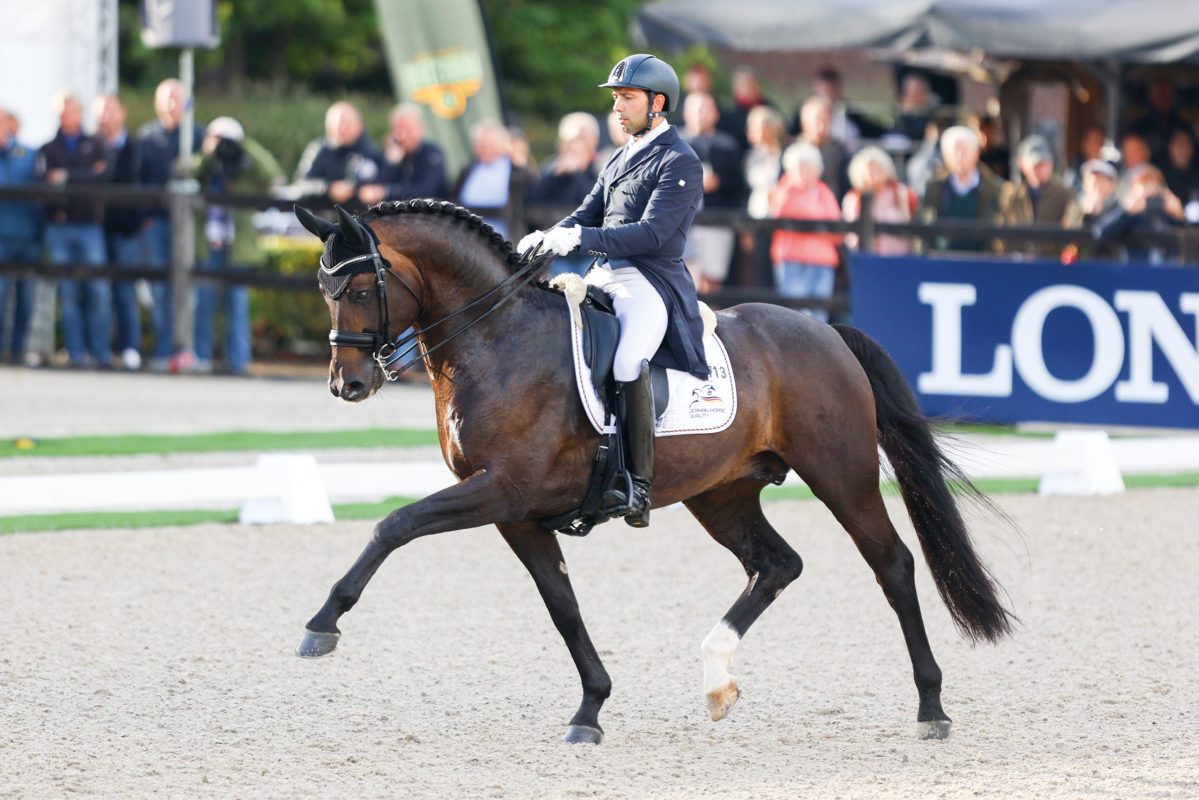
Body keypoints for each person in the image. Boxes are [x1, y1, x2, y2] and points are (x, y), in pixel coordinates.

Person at [516, 53, 708, 528]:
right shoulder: (620, 156)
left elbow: (652, 234)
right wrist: (548, 234)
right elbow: (586, 212)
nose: (618, 108)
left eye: (627, 98)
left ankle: (637, 484)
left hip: (650, 281)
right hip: (603, 274)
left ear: (657, 103)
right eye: (617, 98)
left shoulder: (680, 161)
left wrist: (581, 239)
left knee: (626, 362)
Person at [190, 116, 284, 374]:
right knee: (203, 305)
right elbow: (188, 173)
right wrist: (209, 152)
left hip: (237, 246)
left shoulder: (245, 161)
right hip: (208, 244)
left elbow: (272, 173)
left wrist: (243, 145)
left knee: (237, 306)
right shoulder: (205, 163)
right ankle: (201, 358)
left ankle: (239, 361)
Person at [39, 92, 112, 368]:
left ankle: (101, 353)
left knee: (98, 291)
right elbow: (44, 183)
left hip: (89, 226)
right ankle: (76, 353)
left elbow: (103, 177)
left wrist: (67, 176)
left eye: (69, 111)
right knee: (68, 294)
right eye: (60, 111)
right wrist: (86, 173)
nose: (64, 116)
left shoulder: (95, 144)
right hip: (59, 227)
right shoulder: (48, 148)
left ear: (79, 114)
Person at [137, 78, 204, 370]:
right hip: (157, 225)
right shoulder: (146, 137)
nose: (173, 105)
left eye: (178, 98)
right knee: (159, 291)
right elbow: (138, 181)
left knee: (191, 291)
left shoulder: (198, 136)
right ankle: (164, 352)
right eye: (167, 98)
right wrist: (146, 218)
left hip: (189, 227)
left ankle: (190, 352)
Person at [95, 94, 144, 370]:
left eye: (110, 111)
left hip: (127, 229)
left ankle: (130, 348)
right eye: (101, 112)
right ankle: (100, 349)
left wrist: (142, 216)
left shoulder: (136, 146)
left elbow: (147, 182)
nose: (106, 117)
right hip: (97, 227)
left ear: (122, 113)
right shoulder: (89, 146)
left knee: (126, 291)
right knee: (98, 291)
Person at [768, 142, 842, 321]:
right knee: (794, 315)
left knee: (819, 318)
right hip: (793, 261)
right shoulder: (783, 191)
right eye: (801, 167)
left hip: (823, 262)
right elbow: (780, 215)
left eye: (810, 167)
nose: (806, 172)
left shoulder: (825, 193)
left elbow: (837, 229)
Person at [681, 91, 744, 290]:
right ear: (686, 113)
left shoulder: (728, 145)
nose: (701, 115)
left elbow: (738, 185)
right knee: (683, 278)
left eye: (706, 109)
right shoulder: (673, 143)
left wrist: (719, 182)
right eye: (697, 110)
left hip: (717, 221)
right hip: (681, 222)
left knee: (713, 279)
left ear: (716, 114)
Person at [528, 112, 601, 277]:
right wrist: (554, 174)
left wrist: (578, 173)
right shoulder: (550, 168)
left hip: (587, 251)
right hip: (557, 253)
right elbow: (534, 201)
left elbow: (593, 202)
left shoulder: (598, 169)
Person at [920, 125, 1006, 252]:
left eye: (964, 150)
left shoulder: (997, 189)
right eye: (954, 151)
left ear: (976, 153)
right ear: (945, 155)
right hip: (942, 263)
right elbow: (924, 230)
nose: (959, 157)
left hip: (984, 263)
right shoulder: (934, 189)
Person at [0, 107, 41, 366]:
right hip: (1, 238)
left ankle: (17, 350)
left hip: (28, 237)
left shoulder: (29, 155)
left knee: (26, 300)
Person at [997, 135, 1081, 258]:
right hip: (1016, 265)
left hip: (1052, 266)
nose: (1040, 169)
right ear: (1022, 164)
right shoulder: (1010, 194)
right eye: (1035, 164)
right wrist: (1014, 255)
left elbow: (1072, 230)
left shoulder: (1065, 194)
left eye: (1044, 163)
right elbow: (1000, 231)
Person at [357, 103, 448, 206]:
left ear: (421, 129)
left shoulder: (432, 153)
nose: (402, 135)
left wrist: (387, 192)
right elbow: (372, 189)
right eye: (398, 129)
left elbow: (426, 190)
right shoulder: (391, 154)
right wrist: (391, 164)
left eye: (408, 129)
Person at [1093, 165, 1186, 264]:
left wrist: (1179, 214)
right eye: (1145, 184)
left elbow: (1187, 241)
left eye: (1156, 185)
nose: (1151, 189)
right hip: (1135, 271)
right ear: (1134, 187)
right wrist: (1127, 212)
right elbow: (1100, 233)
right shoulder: (1128, 212)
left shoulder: (1166, 213)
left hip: (1165, 272)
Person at [292, 101, 381, 204]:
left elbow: (385, 185)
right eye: (337, 124)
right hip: (323, 215)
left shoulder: (372, 151)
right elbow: (301, 184)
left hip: (362, 216)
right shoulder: (319, 149)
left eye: (347, 124)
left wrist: (367, 191)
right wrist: (328, 189)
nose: (342, 129)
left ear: (360, 126)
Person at [842, 146, 918, 256]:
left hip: (899, 259)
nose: (875, 177)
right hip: (864, 259)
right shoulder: (852, 198)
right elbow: (849, 235)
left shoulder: (902, 194)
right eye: (870, 171)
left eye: (878, 170)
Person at [742, 105, 786, 285]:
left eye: (755, 126)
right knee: (759, 270)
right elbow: (745, 192)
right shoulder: (750, 156)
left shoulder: (784, 155)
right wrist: (745, 227)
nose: (750, 131)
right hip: (756, 218)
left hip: (780, 220)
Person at [797, 96, 849, 200]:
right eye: (817, 120)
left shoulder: (839, 150)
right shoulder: (793, 151)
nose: (821, 126)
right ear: (804, 121)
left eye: (826, 120)